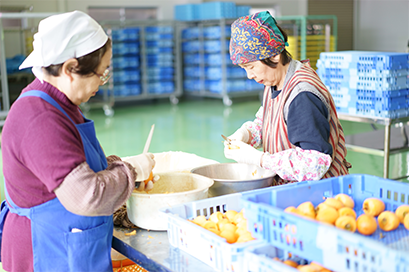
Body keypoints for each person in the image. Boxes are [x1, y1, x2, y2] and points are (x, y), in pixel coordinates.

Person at [0, 11, 155, 272]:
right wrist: (132, 170)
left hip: (67, 241)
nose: (102, 82)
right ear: (70, 68)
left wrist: (118, 166)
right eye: (101, 73)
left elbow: (73, 166)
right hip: (47, 251)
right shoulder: (39, 118)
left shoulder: (61, 103)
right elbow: (86, 196)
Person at [224, 11, 351, 185]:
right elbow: (267, 123)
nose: (249, 75)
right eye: (244, 68)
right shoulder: (274, 79)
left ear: (274, 55)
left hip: (320, 194)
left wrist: (260, 159)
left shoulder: (302, 95)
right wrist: (246, 135)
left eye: (251, 66)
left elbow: (315, 164)